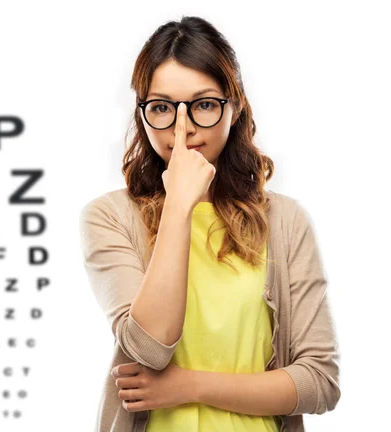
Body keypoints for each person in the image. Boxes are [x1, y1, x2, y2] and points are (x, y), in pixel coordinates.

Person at [78, 15, 341, 432]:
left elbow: (320, 381)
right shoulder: (110, 217)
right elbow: (150, 346)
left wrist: (189, 386)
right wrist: (180, 203)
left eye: (203, 105)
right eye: (162, 108)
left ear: (233, 108)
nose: (182, 130)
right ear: (142, 115)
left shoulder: (286, 221)